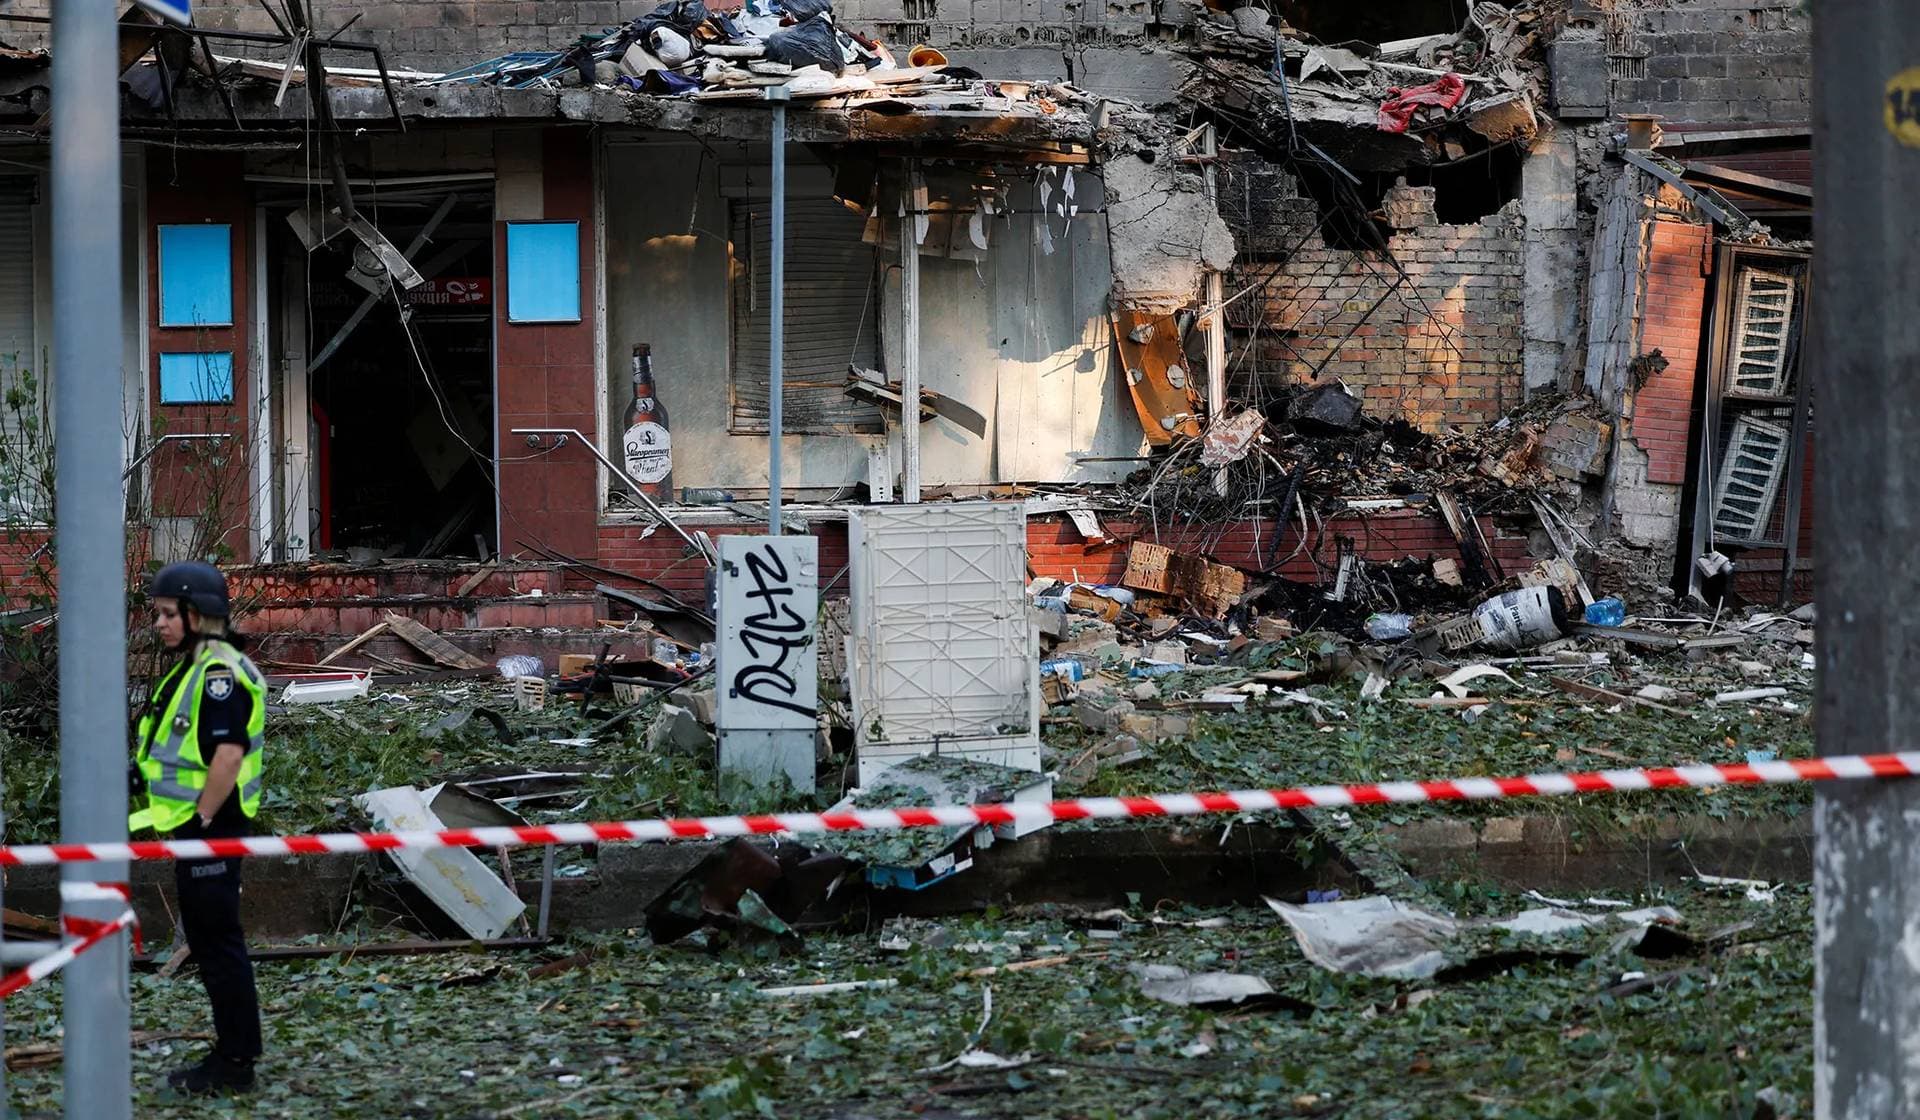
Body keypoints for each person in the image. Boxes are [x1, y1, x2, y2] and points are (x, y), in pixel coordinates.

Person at [128, 561, 267, 1096]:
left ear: (197, 615)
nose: (158, 624)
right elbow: (181, 749)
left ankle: (235, 1063)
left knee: (218, 944)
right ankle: (233, 1054)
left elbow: (226, 756)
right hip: (199, 827)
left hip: (211, 826)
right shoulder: (198, 665)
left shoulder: (217, 673)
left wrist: (202, 820)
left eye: (167, 614)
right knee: (212, 944)